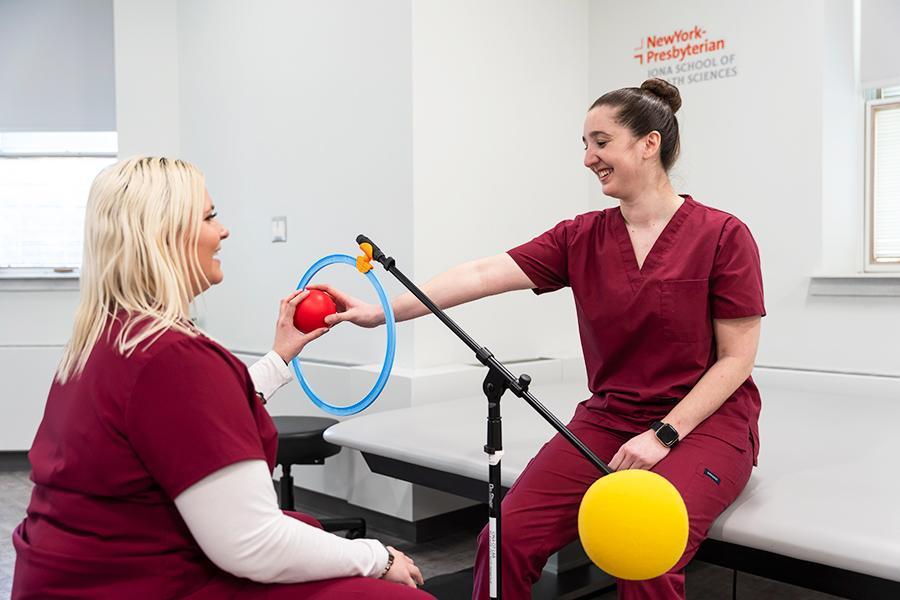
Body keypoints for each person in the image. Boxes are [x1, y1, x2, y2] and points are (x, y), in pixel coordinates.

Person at [317, 78, 765, 599]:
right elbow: (482, 274)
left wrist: (663, 435)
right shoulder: (581, 236)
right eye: (584, 145)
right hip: (610, 416)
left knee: (644, 546)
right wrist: (380, 314)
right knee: (501, 539)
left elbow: (737, 361)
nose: (588, 158)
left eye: (601, 142)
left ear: (649, 143)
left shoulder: (723, 235)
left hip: (703, 424)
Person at [11, 156, 431, 599]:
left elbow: (192, 420)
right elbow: (253, 543)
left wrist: (281, 355)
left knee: (304, 527)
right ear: (165, 236)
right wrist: (376, 557)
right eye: (211, 217)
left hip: (71, 573)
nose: (223, 231)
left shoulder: (112, 337)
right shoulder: (172, 357)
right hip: (141, 581)